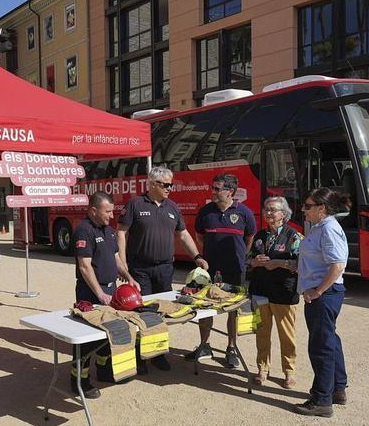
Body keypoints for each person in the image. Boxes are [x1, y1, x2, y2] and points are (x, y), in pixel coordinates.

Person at [117, 166, 205, 372]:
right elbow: (121, 233)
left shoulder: (173, 207)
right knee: (141, 313)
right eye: (165, 185)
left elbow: (183, 234)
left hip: (165, 269)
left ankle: (158, 353)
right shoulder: (135, 204)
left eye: (171, 184)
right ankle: (140, 356)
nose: (170, 188)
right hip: (140, 269)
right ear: (152, 183)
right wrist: (122, 264)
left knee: (162, 313)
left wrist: (197, 256)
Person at [72, 191, 139, 398]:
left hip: (110, 291)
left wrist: (128, 277)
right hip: (91, 293)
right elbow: (85, 266)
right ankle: (79, 381)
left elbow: (116, 257)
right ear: (93, 210)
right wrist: (100, 294)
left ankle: (103, 370)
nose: (112, 215)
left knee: (107, 334)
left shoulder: (108, 231)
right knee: (86, 339)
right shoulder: (84, 231)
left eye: (112, 211)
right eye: (107, 211)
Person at [186, 173, 256, 368]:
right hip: (210, 269)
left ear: (230, 192)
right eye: (213, 188)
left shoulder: (244, 213)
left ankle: (231, 348)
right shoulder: (205, 212)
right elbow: (200, 238)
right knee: (205, 306)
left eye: (217, 189)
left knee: (232, 309)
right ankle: (204, 345)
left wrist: (240, 257)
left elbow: (249, 239)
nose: (213, 192)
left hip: (235, 269)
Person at [293, 187, 350, 418]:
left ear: (322, 208)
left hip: (324, 295)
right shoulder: (320, 227)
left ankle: (321, 400)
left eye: (308, 206)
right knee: (330, 341)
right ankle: (337, 389)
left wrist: (318, 291)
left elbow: (337, 264)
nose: (303, 210)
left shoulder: (328, 229)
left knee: (321, 347)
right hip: (325, 294)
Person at [247, 196, 302, 388]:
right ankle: (262, 369)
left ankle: (289, 371)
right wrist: (255, 262)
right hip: (261, 291)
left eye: (273, 210)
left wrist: (279, 263)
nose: (268, 213)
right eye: (266, 209)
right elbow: (249, 260)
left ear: (284, 215)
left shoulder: (294, 236)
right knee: (262, 332)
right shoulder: (260, 236)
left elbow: (301, 265)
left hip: (283, 293)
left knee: (286, 335)